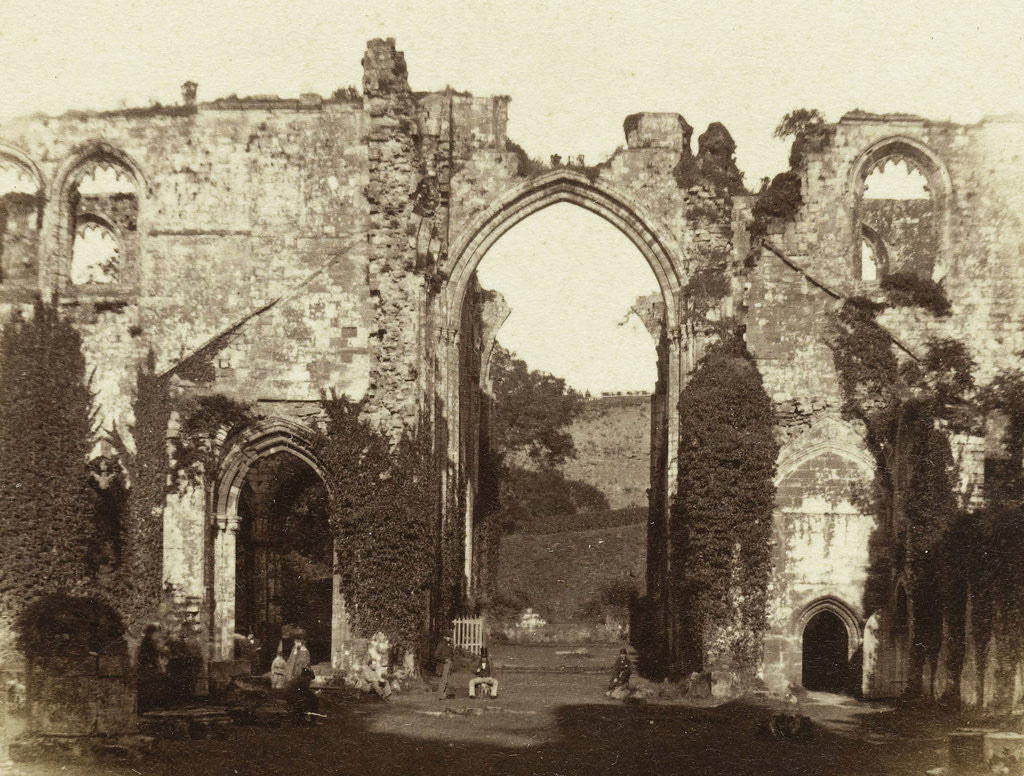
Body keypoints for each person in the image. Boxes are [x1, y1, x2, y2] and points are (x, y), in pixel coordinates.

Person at [136, 624, 169, 711]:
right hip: (147, 668)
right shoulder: (147, 642)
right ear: (151, 633)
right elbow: (146, 655)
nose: (157, 635)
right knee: (151, 686)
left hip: (150, 667)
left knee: (154, 685)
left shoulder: (150, 642)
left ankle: (152, 705)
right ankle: (151, 706)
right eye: (156, 633)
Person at [435, 633, 454, 701]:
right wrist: (444, 660)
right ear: (445, 637)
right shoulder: (441, 644)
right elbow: (436, 655)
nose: (450, 638)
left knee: (447, 680)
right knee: (444, 679)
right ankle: (440, 695)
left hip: (449, 663)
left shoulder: (449, 644)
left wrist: (451, 659)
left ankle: (444, 694)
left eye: (450, 637)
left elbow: (451, 654)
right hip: (444, 664)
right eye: (448, 637)